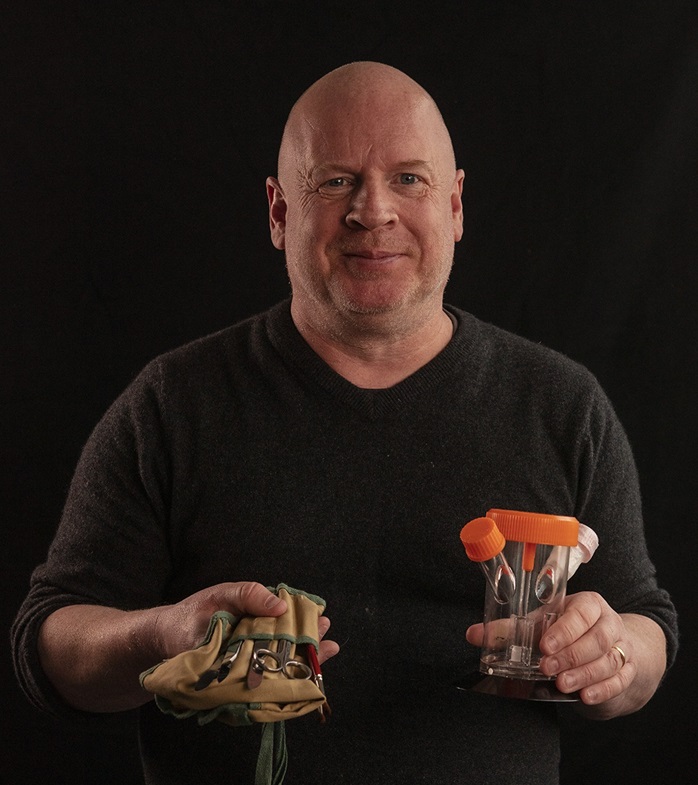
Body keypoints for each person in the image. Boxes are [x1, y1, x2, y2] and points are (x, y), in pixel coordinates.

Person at [12, 62, 677, 784]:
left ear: (455, 206)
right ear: (278, 213)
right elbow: (49, 644)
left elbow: (645, 627)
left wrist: (613, 651)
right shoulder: (172, 405)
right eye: (334, 181)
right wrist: (160, 635)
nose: (373, 211)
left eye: (410, 180)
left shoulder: (562, 405)